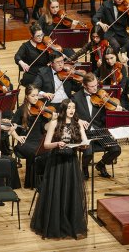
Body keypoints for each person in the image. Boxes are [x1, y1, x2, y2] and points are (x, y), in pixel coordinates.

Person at [30, 98, 88, 239]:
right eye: (69, 108)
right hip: (56, 162)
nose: (71, 110)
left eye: (73, 107)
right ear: (63, 109)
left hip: (71, 162)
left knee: (70, 192)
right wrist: (57, 144)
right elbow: (46, 145)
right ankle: (54, 224)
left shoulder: (78, 123)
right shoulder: (55, 123)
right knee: (56, 192)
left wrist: (84, 145)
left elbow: (85, 142)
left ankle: (69, 223)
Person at [72, 73, 122, 179]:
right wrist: (78, 120)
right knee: (88, 152)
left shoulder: (101, 95)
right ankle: (84, 168)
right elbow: (69, 115)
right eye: (92, 86)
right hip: (83, 131)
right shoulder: (76, 97)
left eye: (96, 85)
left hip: (99, 129)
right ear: (84, 85)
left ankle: (101, 164)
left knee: (116, 149)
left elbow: (104, 117)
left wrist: (114, 110)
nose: (95, 88)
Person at [11, 85, 54, 188]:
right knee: (35, 152)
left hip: (39, 139)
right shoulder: (21, 110)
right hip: (26, 142)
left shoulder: (42, 109)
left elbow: (46, 128)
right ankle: (34, 182)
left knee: (50, 151)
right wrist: (18, 137)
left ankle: (47, 181)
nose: (36, 98)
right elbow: (11, 127)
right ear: (26, 96)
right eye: (32, 95)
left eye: (37, 95)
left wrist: (53, 120)